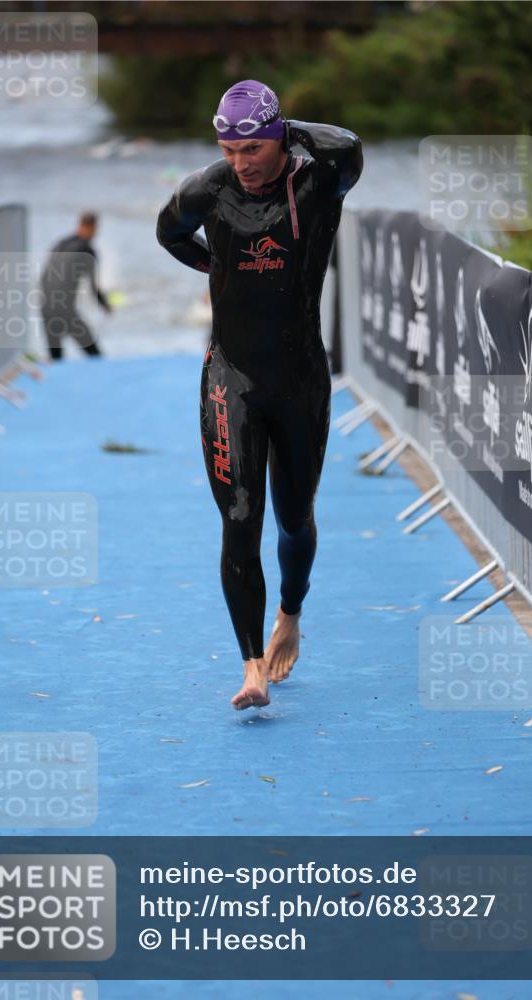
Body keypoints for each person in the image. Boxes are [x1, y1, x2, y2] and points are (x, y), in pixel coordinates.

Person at [156, 80, 363, 710]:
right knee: (240, 520)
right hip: (232, 379)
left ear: (279, 139)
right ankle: (249, 667)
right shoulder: (206, 189)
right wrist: (212, 267)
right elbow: (169, 233)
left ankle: (290, 612)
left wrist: (277, 122)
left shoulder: (320, 179)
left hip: (300, 379)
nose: (240, 163)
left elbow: (349, 143)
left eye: (253, 147)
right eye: (228, 147)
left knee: (294, 518)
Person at [39, 212, 112, 360]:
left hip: (45, 307)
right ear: (93, 228)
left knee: (56, 359)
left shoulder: (60, 243)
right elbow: (93, 287)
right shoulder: (88, 250)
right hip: (65, 310)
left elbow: (44, 276)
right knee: (95, 356)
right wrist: (105, 305)